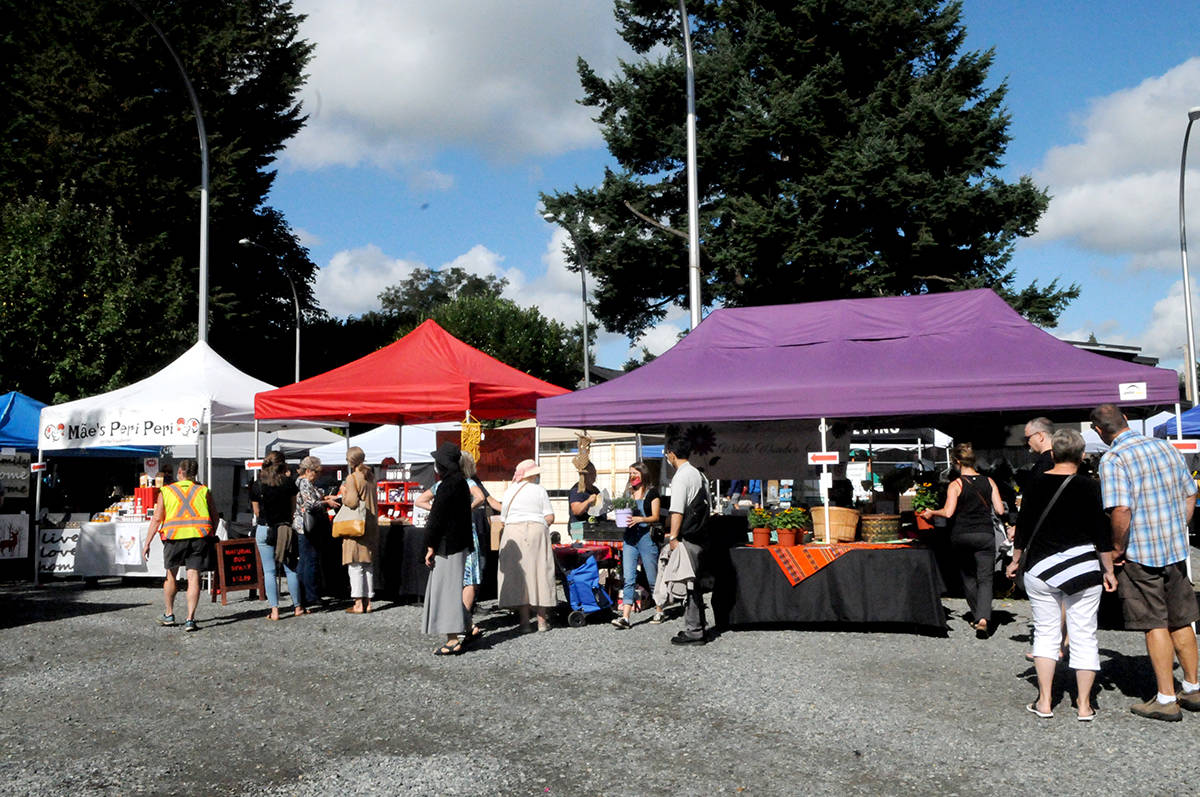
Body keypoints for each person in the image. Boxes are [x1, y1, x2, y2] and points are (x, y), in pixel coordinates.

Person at [1091, 403, 1200, 721]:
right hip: (1174, 548)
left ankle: (1166, 697)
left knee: (1154, 623)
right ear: (1125, 419)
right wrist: (1179, 525)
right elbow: (1190, 492)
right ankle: (1193, 687)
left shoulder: (1113, 459)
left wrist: (1116, 549)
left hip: (1141, 553)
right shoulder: (1164, 447)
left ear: (1099, 431)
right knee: (1182, 620)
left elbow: (1121, 510)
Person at [1005, 429, 1117, 720]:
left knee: (1045, 633)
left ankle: (1044, 702)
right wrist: (1109, 570)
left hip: (1041, 568)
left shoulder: (1035, 483)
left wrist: (1016, 561)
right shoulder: (1092, 487)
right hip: (1083, 570)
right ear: (1082, 456)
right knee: (1084, 635)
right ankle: (1083, 705)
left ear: (1052, 453)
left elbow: (1024, 528)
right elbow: (1101, 533)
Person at [919, 443, 1005, 638]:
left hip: (962, 535)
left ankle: (978, 615)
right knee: (986, 578)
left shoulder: (955, 485)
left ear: (956, 462)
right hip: (985, 535)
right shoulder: (989, 481)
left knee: (968, 578)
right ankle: (983, 618)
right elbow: (1000, 510)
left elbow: (948, 513)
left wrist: (933, 512)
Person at [141, 459, 214, 632]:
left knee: (171, 576)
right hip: (198, 536)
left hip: (174, 537)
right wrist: (211, 534)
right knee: (193, 577)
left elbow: (157, 519)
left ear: (180, 472)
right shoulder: (204, 490)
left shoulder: (166, 491)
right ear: (194, 474)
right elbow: (214, 516)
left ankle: (169, 614)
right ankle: (190, 619)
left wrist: (147, 542)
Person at [422, 442, 475, 655]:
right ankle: (469, 627)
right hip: (460, 543)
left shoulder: (446, 485)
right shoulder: (461, 482)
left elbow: (436, 519)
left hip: (448, 545)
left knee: (446, 592)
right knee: (452, 588)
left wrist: (430, 546)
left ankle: (453, 639)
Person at [497, 459, 556, 632]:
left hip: (513, 532)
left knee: (519, 577)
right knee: (540, 573)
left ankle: (524, 623)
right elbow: (550, 517)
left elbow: (503, 519)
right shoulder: (539, 490)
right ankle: (542, 621)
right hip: (536, 530)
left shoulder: (509, 491)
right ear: (533, 474)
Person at [662, 436, 710, 646]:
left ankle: (694, 631)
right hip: (702, 535)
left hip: (688, 537)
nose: (666, 457)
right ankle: (698, 626)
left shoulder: (681, 477)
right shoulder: (699, 474)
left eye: (667, 453)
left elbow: (677, 510)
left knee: (688, 583)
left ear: (672, 454)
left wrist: (673, 537)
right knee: (695, 583)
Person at [612, 461, 666, 628]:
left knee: (652, 577)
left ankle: (659, 609)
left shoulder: (652, 493)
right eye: (630, 474)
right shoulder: (628, 494)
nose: (632, 476)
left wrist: (640, 519)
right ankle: (626, 617)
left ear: (643, 474)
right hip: (629, 539)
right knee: (628, 578)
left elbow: (656, 517)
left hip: (646, 538)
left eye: (635, 473)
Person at [250, 451, 301, 621]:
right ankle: (298, 606)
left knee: (269, 571)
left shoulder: (257, 484)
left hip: (264, 528)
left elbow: (256, 512)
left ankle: (275, 610)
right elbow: (293, 509)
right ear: (282, 465)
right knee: (290, 568)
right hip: (284, 528)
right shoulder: (288, 483)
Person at [460, 451, 500, 643]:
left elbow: (490, 501)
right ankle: (465, 617)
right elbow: (488, 500)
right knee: (472, 575)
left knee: (471, 574)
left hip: (471, 532)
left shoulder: (449, 482)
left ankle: (466, 614)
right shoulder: (470, 482)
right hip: (471, 533)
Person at [293, 455, 339, 613]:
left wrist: (323, 497)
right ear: (308, 470)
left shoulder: (303, 482)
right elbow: (310, 504)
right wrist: (327, 502)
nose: (319, 475)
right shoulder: (305, 482)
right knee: (309, 561)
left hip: (304, 527)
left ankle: (302, 595)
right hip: (307, 527)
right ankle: (311, 596)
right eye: (316, 471)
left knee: (305, 561)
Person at [340, 446, 379, 614]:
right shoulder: (371, 476)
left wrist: (343, 494)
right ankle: (369, 602)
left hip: (357, 525)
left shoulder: (352, 478)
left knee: (355, 564)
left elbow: (352, 502)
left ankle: (358, 603)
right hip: (371, 524)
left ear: (350, 461)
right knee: (368, 563)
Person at [568, 463, 606, 535]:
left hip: (592, 528)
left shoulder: (595, 489)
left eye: (595, 473)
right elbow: (576, 511)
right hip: (577, 528)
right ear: (584, 475)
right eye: (591, 473)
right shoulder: (577, 490)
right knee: (579, 546)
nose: (594, 476)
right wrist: (588, 501)